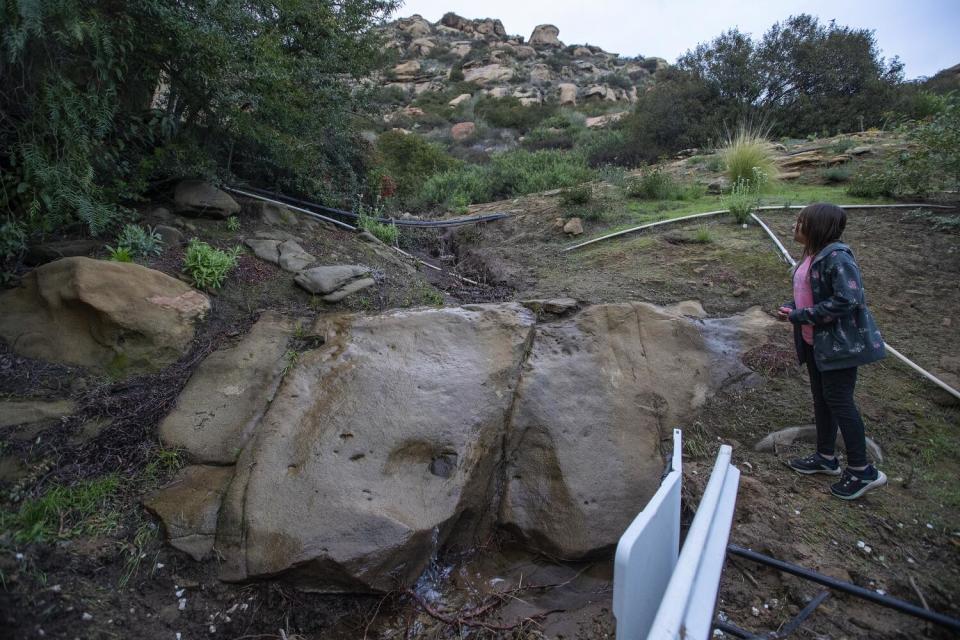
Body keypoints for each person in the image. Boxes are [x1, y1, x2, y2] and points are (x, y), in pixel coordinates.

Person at [776, 203, 887, 500]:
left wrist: (802, 315)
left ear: (817, 226)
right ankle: (826, 457)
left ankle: (863, 471)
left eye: (800, 222)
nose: (794, 226)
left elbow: (847, 300)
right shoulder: (812, 256)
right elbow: (812, 292)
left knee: (839, 401)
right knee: (823, 400)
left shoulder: (837, 257)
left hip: (839, 346)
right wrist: (794, 307)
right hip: (816, 343)